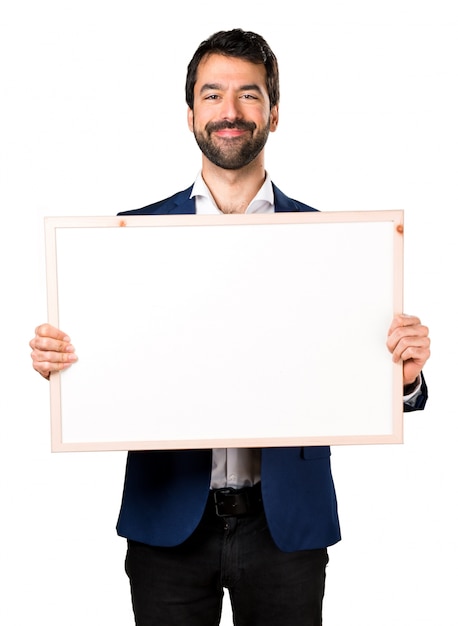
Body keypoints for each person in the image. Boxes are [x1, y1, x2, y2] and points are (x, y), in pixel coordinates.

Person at [29, 29, 431, 626]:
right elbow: (111, 371)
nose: (230, 111)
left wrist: (404, 378)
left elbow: (365, 381)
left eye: (249, 94)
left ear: (274, 113)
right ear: (190, 112)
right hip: (168, 524)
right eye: (212, 94)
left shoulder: (337, 244)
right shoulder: (126, 241)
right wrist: (65, 365)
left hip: (285, 529)